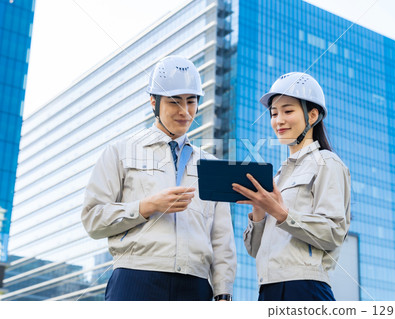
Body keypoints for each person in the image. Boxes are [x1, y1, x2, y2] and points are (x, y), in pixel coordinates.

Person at [81, 55, 236, 301]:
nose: (185, 111)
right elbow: (93, 220)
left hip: (195, 287)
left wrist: (223, 291)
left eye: (191, 101)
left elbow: (222, 239)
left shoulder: (212, 166)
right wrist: (147, 207)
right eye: (174, 102)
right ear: (154, 102)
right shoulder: (119, 152)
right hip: (136, 278)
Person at [232, 72, 351, 301]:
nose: (279, 120)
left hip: (305, 288)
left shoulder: (327, 162)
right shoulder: (277, 178)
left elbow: (334, 232)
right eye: (274, 113)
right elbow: (254, 250)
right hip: (268, 289)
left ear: (312, 115)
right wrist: (258, 211)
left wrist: (279, 212)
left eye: (288, 111)